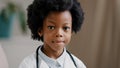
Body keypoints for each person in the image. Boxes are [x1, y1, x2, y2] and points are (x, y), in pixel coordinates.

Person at [19, 0, 86, 68]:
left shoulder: (78, 65)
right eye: (51, 27)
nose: (59, 33)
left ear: (71, 31)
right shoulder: (27, 65)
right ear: (40, 30)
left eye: (65, 28)